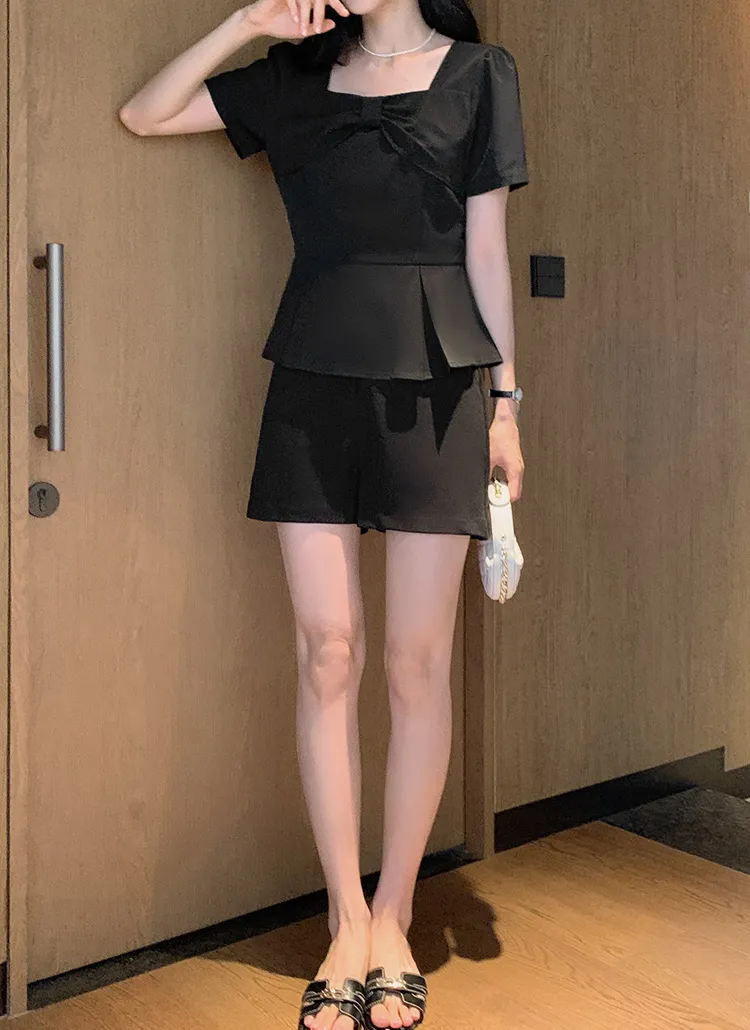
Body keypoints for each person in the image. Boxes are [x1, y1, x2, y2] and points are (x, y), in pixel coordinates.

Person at [119, 0, 528, 1025]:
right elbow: (145, 113)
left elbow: (486, 250)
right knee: (328, 651)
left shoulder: (481, 74)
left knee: (417, 662)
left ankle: (395, 914)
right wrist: (246, 21)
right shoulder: (294, 79)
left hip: (443, 384)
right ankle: (344, 919)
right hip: (312, 378)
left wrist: (508, 407)